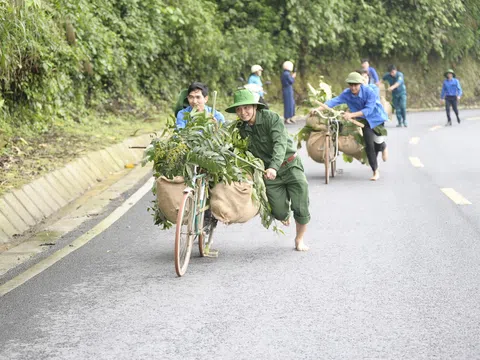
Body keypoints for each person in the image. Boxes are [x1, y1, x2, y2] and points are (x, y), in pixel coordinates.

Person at [225, 89, 310, 251]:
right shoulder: (240, 129)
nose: (243, 113)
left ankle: (299, 239)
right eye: (239, 109)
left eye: (247, 108)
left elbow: (280, 143)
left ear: (255, 107)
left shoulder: (272, 118)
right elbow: (237, 148)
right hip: (269, 175)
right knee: (278, 212)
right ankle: (285, 215)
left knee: (301, 206)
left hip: (290, 165)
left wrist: (273, 166)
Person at [312, 72, 388, 181]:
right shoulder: (347, 93)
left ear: (360, 84)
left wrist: (351, 115)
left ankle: (383, 146)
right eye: (351, 85)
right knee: (369, 144)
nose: (353, 87)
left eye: (355, 85)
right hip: (364, 121)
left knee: (378, 142)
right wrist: (317, 109)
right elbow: (334, 102)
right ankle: (375, 171)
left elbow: (368, 110)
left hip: (377, 118)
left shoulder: (369, 92)